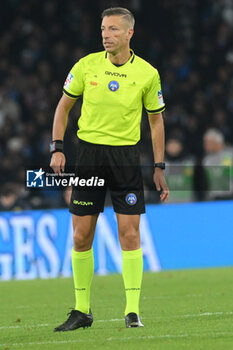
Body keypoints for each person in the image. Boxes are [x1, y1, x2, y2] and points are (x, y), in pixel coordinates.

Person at [50, 7, 169, 331]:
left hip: (125, 158)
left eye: (114, 29)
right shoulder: (86, 66)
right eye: (104, 28)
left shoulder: (147, 73)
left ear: (129, 34)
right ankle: (81, 311)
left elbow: (156, 121)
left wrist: (159, 165)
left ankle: (132, 311)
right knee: (80, 235)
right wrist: (57, 148)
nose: (106, 34)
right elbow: (63, 108)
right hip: (88, 155)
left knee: (129, 234)